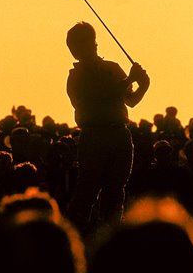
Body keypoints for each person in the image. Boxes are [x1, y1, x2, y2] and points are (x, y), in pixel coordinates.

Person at [65, 21, 150, 233]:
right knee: (87, 191)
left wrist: (144, 85)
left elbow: (130, 100)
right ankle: (74, 236)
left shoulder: (113, 68)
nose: (92, 45)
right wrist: (130, 78)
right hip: (93, 136)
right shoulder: (76, 76)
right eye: (85, 42)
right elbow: (95, 97)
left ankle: (110, 238)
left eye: (92, 40)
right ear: (75, 49)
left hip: (119, 134)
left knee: (115, 192)